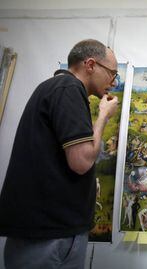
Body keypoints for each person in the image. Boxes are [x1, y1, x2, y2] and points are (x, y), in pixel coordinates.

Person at [0, 39, 119, 268]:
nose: (113, 82)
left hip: (46, 232)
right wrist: (103, 115)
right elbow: (82, 161)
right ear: (91, 65)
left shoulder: (58, 88)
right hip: (49, 236)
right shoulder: (69, 89)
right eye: (112, 73)